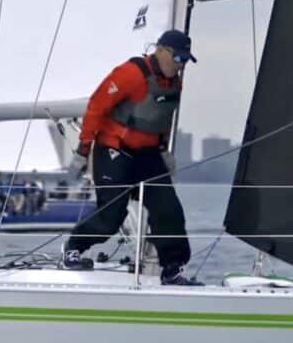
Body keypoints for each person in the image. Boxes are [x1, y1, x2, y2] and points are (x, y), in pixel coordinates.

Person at [62, 29, 201, 286]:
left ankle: (172, 269)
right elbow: (96, 107)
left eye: (184, 61)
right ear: (161, 51)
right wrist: (83, 151)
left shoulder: (174, 84)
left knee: (169, 211)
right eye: (178, 59)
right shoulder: (131, 74)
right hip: (115, 150)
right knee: (112, 214)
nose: (180, 66)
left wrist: (163, 150)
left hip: (148, 155)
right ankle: (73, 247)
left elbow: (162, 119)